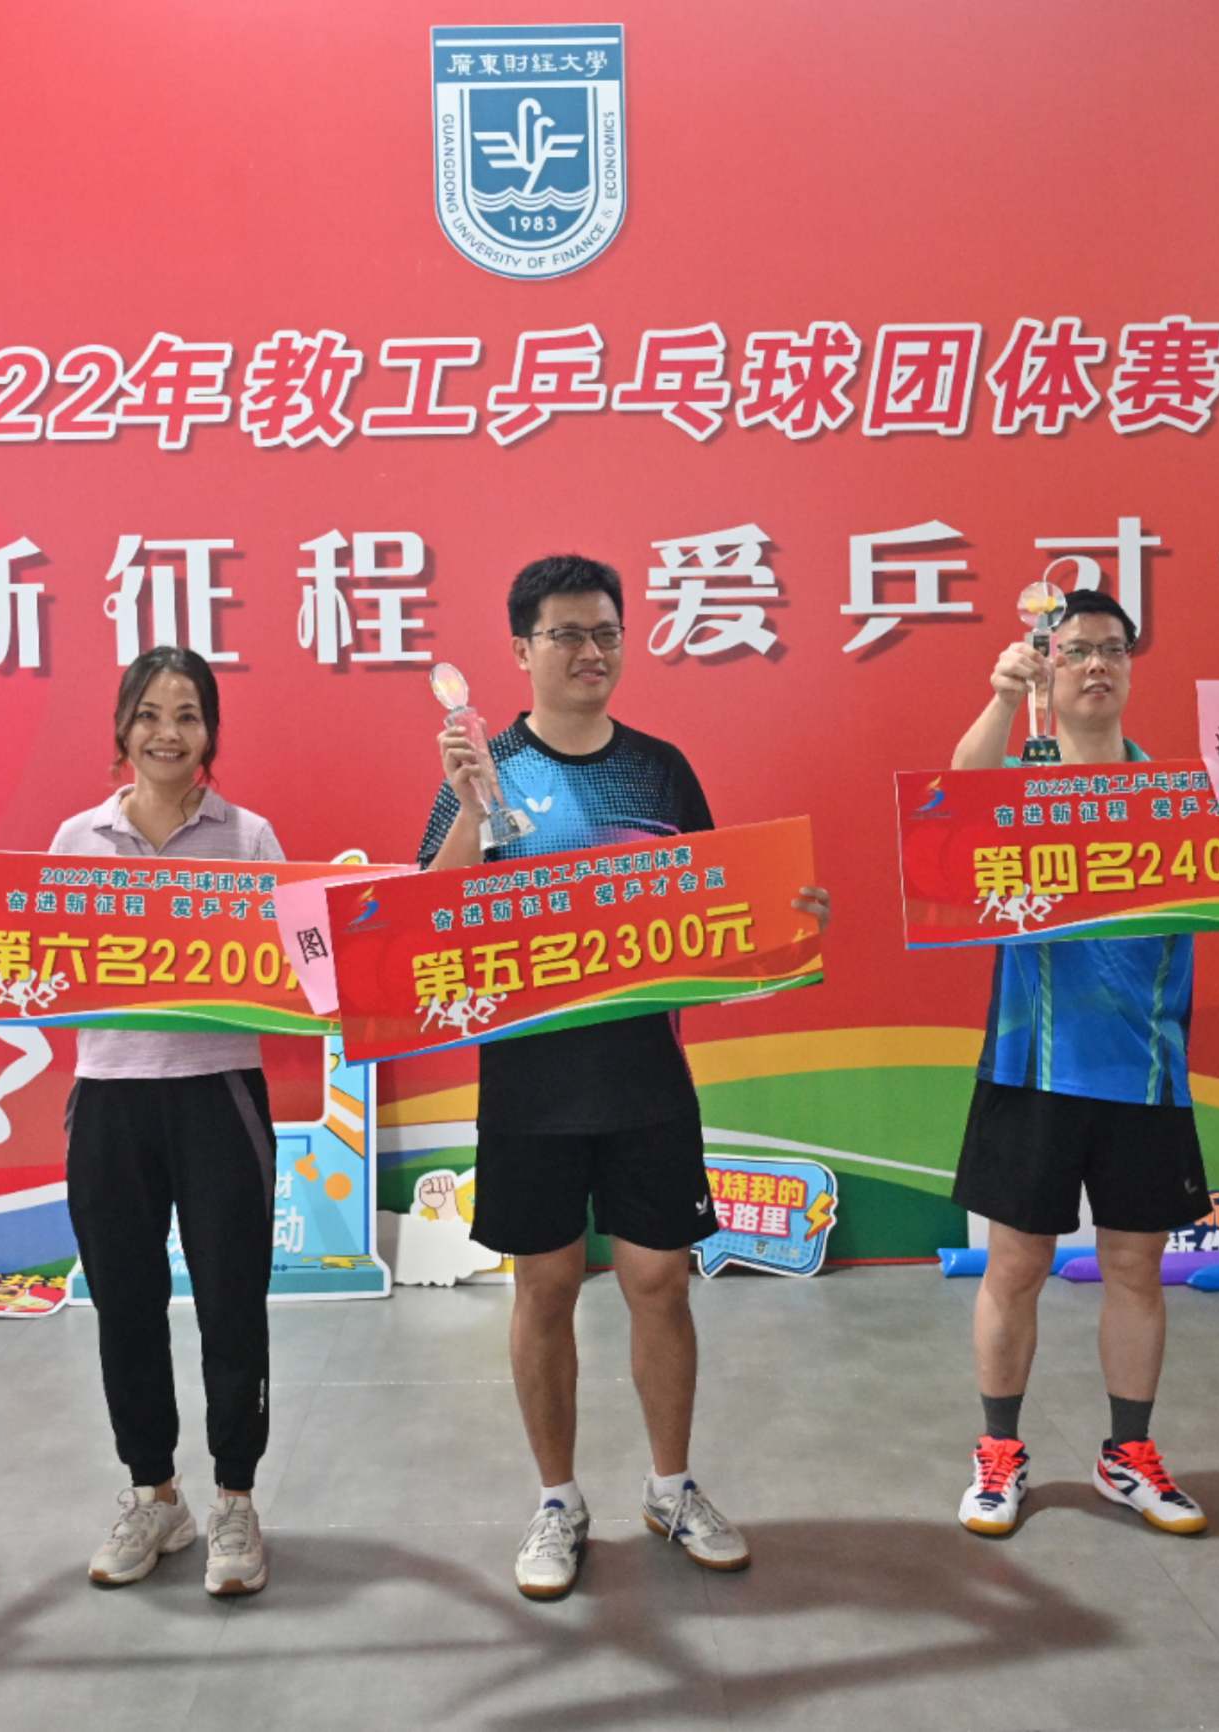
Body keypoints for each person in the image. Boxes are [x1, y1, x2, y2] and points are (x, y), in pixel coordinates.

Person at [417, 554, 831, 1600]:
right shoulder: (485, 770)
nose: (590, 651)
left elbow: (721, 907)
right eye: (566, 634)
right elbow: (426, 921)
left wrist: (789, 919)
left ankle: (671, 1485)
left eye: (606, 632)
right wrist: (466, 808)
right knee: (546, 1286)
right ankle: (558, 1500)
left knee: (659, 1282)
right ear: (521, 650)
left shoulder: (659, 769)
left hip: (646, 1076)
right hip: (529, 1083)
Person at [946, 589, 1219, 1538]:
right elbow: (947, 810)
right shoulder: (1016, 777)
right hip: (1029, 1066)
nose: (1095, 665)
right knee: (1016, 1265)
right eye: (1075, 650)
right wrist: (1001, 699)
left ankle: (1128, 1455)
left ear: (1130, 666)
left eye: (1113, 649)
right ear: (1047, 664)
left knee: (1136, 1267)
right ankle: (999, 1453)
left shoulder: (1187, 794)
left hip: (1145, 1072)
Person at [52, 646, 285, 1597]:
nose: (167, 733)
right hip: (110, 1095)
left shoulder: (250, 838)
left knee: (232, 1302)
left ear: (210, 733)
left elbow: (295, 959)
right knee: (126, 1305)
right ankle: (156, 1495)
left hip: (218, 1093)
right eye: (149, 714)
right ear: (122, 729)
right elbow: (37, 955)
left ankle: (235, 1500)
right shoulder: (78, 839)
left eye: (187, 715)